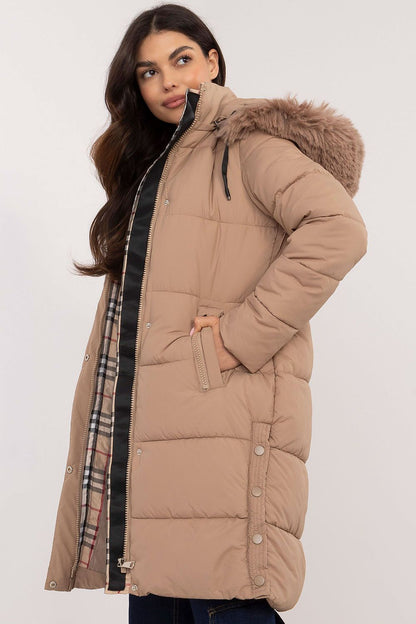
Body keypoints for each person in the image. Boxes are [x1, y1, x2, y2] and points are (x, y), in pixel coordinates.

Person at [43, 3, 368, 623]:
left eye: (182, 59)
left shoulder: (247, 145)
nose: (167, 81)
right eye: (149, 71)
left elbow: (338, 229)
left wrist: (234, 339)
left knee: (226, 598)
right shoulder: (157, 169)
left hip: (223, 424)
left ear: (213, 62)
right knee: (159, 595)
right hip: (156, 439)